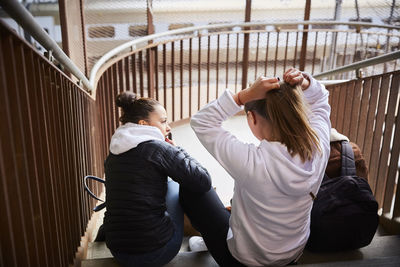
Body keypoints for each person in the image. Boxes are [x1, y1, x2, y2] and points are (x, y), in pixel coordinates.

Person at [181, 68, 331, 266]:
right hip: (292, 255)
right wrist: (304, 83)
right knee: (244, 195)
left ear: (252, 118)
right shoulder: (318, 147)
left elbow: (202, 122)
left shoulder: (250, 161)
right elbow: (320, 101)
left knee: (192, 188)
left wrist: (244, 95)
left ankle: (211, 240)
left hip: (243, 260)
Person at [103, 92, 211, 267]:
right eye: (163, 121)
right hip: (156, 253)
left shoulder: (114, 151)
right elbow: (203, 180)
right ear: (143, 124)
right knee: (177, 184)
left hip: (118, 251)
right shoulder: (157, 148)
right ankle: (207, 239)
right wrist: (178, 150)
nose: (168, 127)